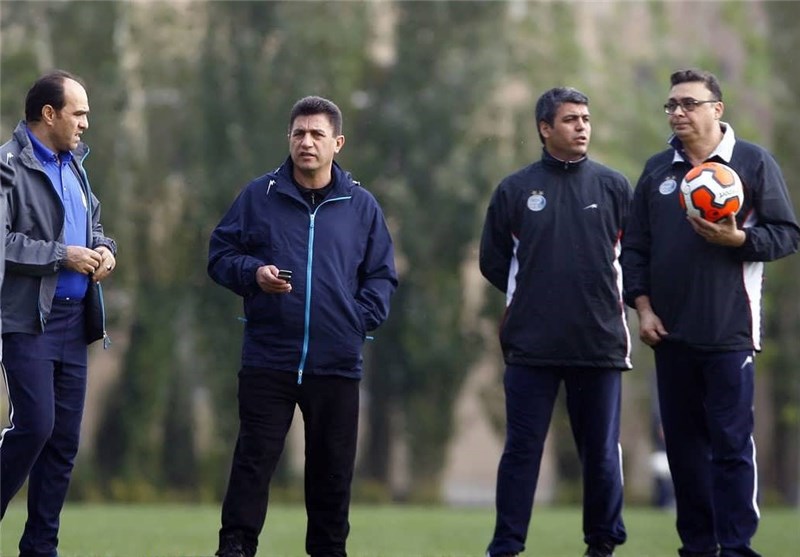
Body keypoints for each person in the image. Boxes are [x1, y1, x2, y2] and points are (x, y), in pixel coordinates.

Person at [208, 95, 397, 557]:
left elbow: (381, 275)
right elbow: (220, 255)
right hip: (268, 357)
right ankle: (235, 548)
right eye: (299, 133)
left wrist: (357, 320)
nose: (306, 142)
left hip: (336, 362)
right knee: (253, 464)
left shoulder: (361, 206)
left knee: (332, 474)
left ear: (338, 143)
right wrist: (254, 273)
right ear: (288, 139)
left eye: (316, 134)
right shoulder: (259, 196)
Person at [621, 68, 800, 557]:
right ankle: (697, 547)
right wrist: (643, 309)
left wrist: (739, 239)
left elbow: (787, 235)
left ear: (717, 110)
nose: (677, 112)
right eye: (672, 105)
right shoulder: (658, 170)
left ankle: (736, 546)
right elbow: (634, 250)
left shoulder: (753, 163)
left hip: (730, 331)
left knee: (731, 445)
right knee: (683, 451)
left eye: (689, 103)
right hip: (669, 333)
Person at [480, 87, 631, 557]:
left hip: (600, 342)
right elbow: (493, 262)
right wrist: (534, 296)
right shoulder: (515, 190)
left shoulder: (614, 187)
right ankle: (507, 545)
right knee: (522, 451)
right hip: (531, 345)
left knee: (601, 453)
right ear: (545, 128)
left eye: (586, 118)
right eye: (570, 119)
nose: (581, 126)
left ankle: (602, 543)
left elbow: (635, 259)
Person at [0, 70, 117, 555]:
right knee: (35, 426)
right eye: (79, 113)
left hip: (75, 322)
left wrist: (105, 249)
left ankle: (40, 548)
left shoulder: (76, 165)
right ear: (49, 114)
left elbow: (94, 226)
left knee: (65, 442)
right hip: (28, 322)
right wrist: (60, 255)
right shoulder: (7, 166)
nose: (85, 123)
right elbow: (4, 242)